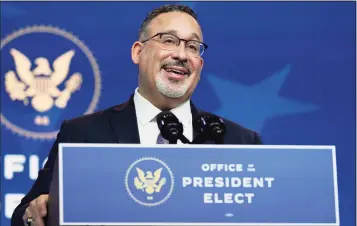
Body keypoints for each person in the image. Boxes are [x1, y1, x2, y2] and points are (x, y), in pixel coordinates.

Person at [11, 4, 262, 226]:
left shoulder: (238, 142)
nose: (182, 55)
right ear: (137, 52)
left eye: (193, 46)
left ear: (200, 64)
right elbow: (25, 214)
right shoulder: (82, 134)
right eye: (169, 40)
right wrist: (34, 215)